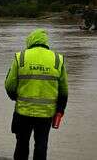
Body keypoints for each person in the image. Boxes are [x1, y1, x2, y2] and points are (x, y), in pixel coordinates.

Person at [5, 29, 68, 160]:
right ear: (45, 42)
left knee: (22, 144)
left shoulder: (21, 57)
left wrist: (15, 97)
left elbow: (9, 85)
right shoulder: (57, 59)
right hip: (46, 113)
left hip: (23, 111)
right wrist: (60, 109)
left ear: (30, 40)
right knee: (41, 145)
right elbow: (64, 89)